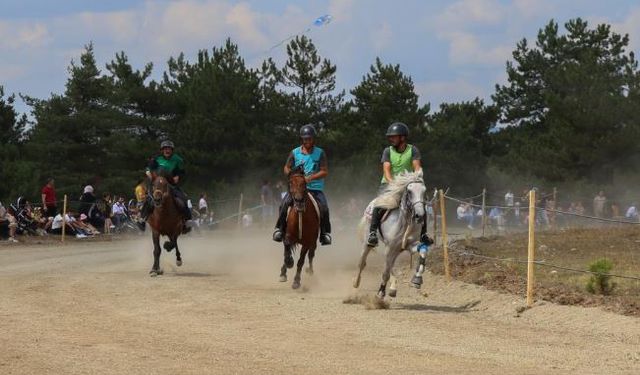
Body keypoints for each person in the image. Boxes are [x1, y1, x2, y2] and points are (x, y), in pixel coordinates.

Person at [367, 122, 431, 247]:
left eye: (393, 136)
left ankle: (423, 234)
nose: (390, 139)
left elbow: (417, 167)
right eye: (390, 137)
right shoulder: (387, 151)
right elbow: (386, 170)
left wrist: (418, 179)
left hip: (408, 184)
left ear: (402, 137)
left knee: (420, 204)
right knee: (380, 203)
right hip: (388, 184)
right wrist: (393, 184)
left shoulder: (413, 150)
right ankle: (372, 233)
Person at [272, 124, 332, 245]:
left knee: (324, 208)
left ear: (313, 138)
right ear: (302, 139)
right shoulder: (295, 152)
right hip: (297, 189)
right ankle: (280, 229)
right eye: (305, 139)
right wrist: (292, 176)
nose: (307, 141)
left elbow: (324, 171)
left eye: (309, 138)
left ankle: (324, 234)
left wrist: (311, 177)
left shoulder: (320, 153)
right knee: (283, 205)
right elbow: (286, 167)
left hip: (314, 189)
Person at [139, 140, 193, 233]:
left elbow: (183, 172)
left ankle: (186, 222)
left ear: (172, 150)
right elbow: (149, 167)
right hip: (158, 186)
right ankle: (142, 220)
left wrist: (178, 176)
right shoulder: (157, 159)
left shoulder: (178, 159)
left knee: (183, 199)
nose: (167, 151)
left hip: (171, 184)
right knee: (149, 200)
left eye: (169, 149)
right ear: (162, 150)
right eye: (165, 149)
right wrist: (148, 171)